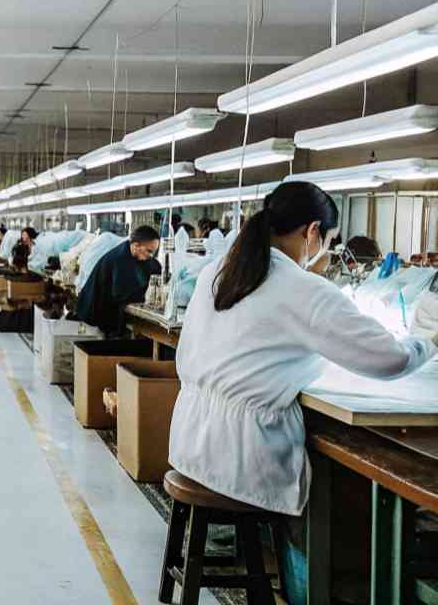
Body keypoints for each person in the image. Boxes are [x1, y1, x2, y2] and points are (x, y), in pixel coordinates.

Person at [167, 182, 438, 602]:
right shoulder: (302, 289)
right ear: (312, 231)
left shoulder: (220, 270)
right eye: (328, 241)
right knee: (332, 482)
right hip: (242, 454)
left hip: (190, 438)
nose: (326, 253)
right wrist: (429, 341)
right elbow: (390, 360)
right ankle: (320, 588)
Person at [76, 225, 163, 336]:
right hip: (95, 313)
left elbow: (152, 266)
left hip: (107, 311)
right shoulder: (120, 258)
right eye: (149, 251)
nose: (151, 256)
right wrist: (147, 296)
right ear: (136, 246)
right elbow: (121, 294)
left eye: (154, 252)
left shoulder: (131, 251)